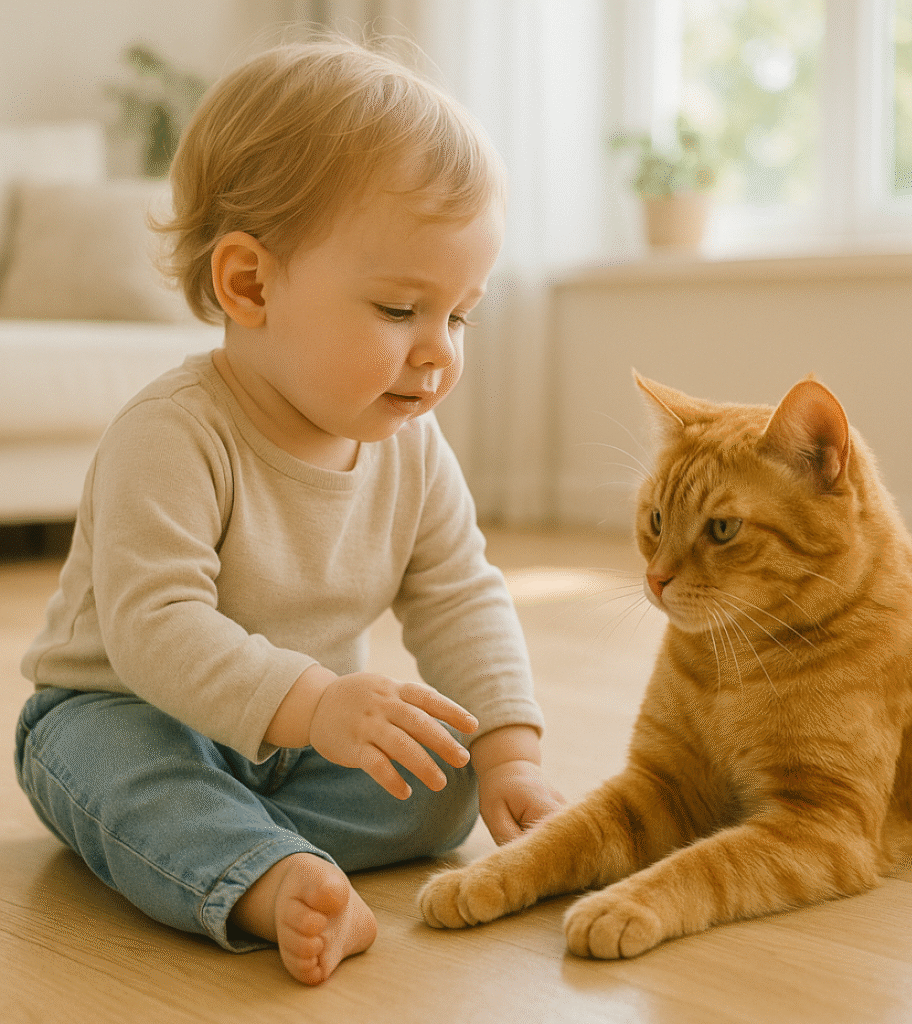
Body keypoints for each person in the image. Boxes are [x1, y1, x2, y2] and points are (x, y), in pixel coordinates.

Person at [14, 36, 563, 987]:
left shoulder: (413, 449)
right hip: (127, 710)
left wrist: (509, 752)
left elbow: (461, 595)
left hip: (293, 746)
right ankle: (255, 874)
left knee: (446, 781)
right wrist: (315, 703)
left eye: (459, 315)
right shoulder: (172, 435)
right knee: (118, 768)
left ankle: (220, 846)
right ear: (251, 285)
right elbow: (157, 629)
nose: (438, 354)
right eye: (400, 309)